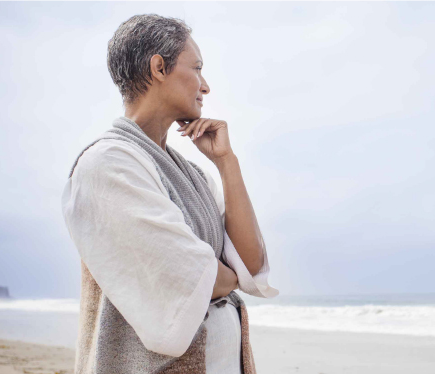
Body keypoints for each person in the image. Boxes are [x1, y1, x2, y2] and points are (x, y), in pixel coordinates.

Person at [61, 14, 278, 374]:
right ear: (159, 67)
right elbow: (193, 279)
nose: (205, 86)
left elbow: (250, 267)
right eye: (196, 68)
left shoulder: (193, 173)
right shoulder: (107, 164)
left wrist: (227, 163)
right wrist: (225, 274)